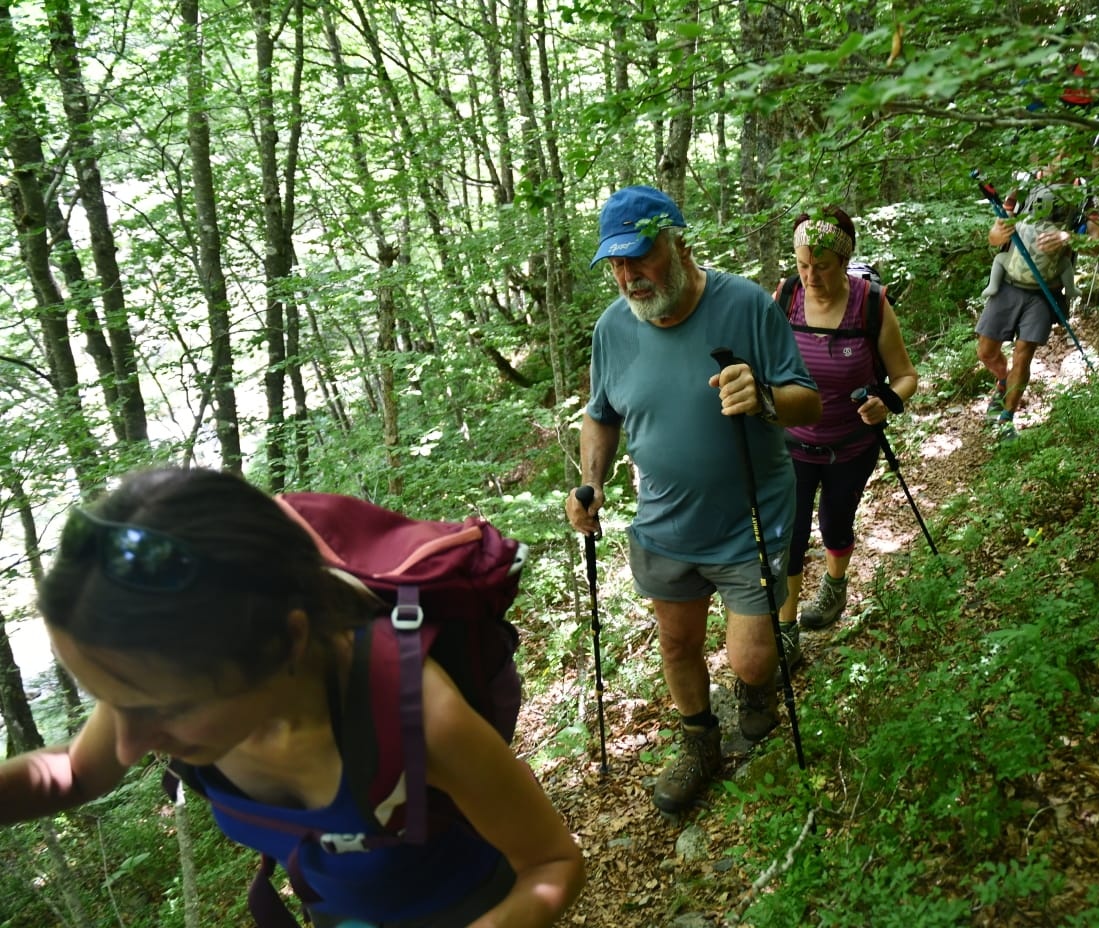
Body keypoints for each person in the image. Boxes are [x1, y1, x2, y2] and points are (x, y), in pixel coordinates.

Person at [0, 467, 584, 928]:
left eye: (170, 709)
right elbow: (73, 775)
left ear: (286, 643)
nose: (127, 744)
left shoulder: (419, 718)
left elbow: (552, 865)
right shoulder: (153, 684)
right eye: (108, 700)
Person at [567, 185, 821, 815]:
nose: (628, 276)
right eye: (616, 263)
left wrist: (764, 396)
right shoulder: (612, 330)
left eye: (640, 257)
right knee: (677, 645)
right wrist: (592, 482)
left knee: (752, 658)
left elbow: (808, 401)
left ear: (678, 245)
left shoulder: (746, 305)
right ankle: (699, 741)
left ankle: (755, 689)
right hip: (664, 522)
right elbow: (600, 415)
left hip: (751, 517)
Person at [775, 207, 917, 633]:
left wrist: (885, 400)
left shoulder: (870, 304)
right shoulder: (785, 297)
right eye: (803, 265)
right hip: (791, 444)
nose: (810, 277)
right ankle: (787, 629)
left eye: (821, 267)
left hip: (851, 446)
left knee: (835, 524)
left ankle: (835, 585)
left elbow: (906, 376)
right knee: (791, 538)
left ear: (844, 261)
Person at [976, 182, 1079, 441]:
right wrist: (1001, 232)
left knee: (1023, 355)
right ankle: (1003, 381)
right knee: (986, 352)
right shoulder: (1023, 187)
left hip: (1045, 291)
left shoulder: (1084, 192)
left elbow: (1097, 244)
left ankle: (1006, 419)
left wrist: (1068, 237)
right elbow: (994, 238)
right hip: (1008, 285)